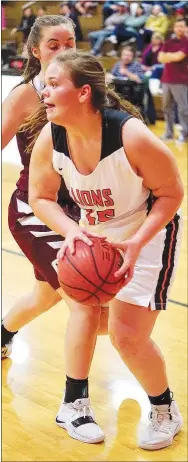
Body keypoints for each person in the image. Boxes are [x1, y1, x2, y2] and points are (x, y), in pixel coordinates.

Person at [29, 50, 184, 450]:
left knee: (125, 335)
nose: (44, 92)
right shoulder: (53, 134)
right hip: (93, 231)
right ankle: (73, 404)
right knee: (82, 309)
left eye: (53, 84)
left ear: (83, 93)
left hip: (147, 231)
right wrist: (71, 233)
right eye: (44, 84)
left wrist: (135, 243)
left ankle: (164, 408)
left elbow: (172, 193)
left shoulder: (129, 135)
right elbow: (41, 196)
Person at [2, 15, 109, 364]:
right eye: (53, 45)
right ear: (35, 51)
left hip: (78, 207)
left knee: (45, 295)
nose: (64, 51)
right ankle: (75, 400)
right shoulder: (23, 96)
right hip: (36, 209)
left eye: (69, 43)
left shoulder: (85, 91)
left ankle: (2, 335)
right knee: (89, 305)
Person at [158, 18, 188, 143]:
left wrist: (168, 56)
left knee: (183, 109)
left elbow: (179, 56)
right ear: (174, 28)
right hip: (166, 79)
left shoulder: (186, 42)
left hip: (180, 80)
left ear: (186, 28)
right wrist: (171, 56)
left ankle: (185, 134)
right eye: (177, 26)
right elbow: (160, 58)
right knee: (166, 108)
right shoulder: (168, 42)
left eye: (181, 26)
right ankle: (169, 133)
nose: (179, 28)